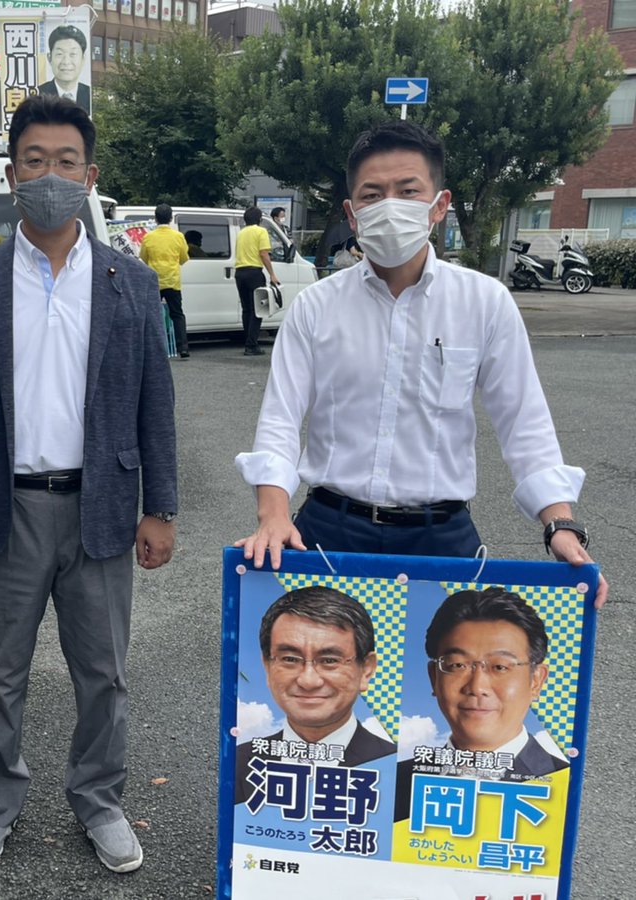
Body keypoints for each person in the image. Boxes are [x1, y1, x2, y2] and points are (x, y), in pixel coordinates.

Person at [0, 94, 177, 876]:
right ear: (11, 175)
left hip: (101, 506)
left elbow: (155, 401)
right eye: (34, 161)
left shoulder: (130, 283)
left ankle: (100, 800)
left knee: (105, 674)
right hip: (7, 507)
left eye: (65, 162)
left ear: (89, 176)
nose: (50, 176)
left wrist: (160, 507)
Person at [234, 120, 607, 606]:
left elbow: (524, 420)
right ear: (351, 213)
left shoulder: (483, 302)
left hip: (441, 536)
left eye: (408, 191)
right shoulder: (316, 306)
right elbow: (280, 417)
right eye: (372, 195)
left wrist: (559, 523)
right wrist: (273, 514)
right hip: (329, 530)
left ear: (439, 204)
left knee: (453, 656)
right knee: (311, 656)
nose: (390, 205)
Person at [394, 587, 568, 821]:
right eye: (457, 665)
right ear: (434, 677)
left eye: (500, 667)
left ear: (536, 681)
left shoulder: (565, 783)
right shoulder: (390, 781)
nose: (477, 687)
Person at [235, 586, 395, 804]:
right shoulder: (237, 762)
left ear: (366, 669)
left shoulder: (396, 768)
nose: (308, 681)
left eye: (329, 660)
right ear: (267, 666)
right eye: (290, 659)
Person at [139, 203, 191, 359]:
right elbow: (184, 258)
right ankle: (183, 348)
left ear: (155, 218)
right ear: (170, 218)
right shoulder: (178, 236)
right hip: (172, 280)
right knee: (177, 314)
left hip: (154, 281)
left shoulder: (148, 237)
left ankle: (154, 347)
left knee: (152, 315)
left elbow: (144, 258)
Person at [233, 207, 279, 357]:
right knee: (257, 310)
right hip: (254, 272)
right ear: (259, 219)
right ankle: (251, 345)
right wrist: (272, 274)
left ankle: (248, 342)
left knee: (246, 309)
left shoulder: (241, 233)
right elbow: (264, 254)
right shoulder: (261, 231)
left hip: (240, 273)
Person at [38, 25, 91, 111]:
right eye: (59, 54)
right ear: (49, 58)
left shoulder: (90, 95)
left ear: (83, 59)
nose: (66, 62)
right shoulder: (38, 95)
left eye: (73, 54)